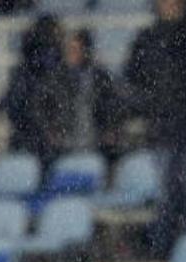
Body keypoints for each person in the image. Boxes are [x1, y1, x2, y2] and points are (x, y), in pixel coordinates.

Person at [123, 0, 186, 255]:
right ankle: (161, 252)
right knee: (165, 197)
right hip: (162, 131)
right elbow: (133, 79)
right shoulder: (147, 39)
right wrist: (151, 108)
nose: (170, 5)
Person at [7, 14, 71, 166]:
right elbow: (23, 106)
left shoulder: (27, 67)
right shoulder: (46, 66)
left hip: (35, 139)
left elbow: (16, 107)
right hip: (38, 140)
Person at [60, 30, 121, 158]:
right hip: (66, 143)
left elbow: (111, 106)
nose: (71, 54)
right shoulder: (58, 78)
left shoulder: (100, 77)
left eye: (76, 50)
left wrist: (108, 129)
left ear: (86, 51)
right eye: (70, 50)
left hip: (96, 142)